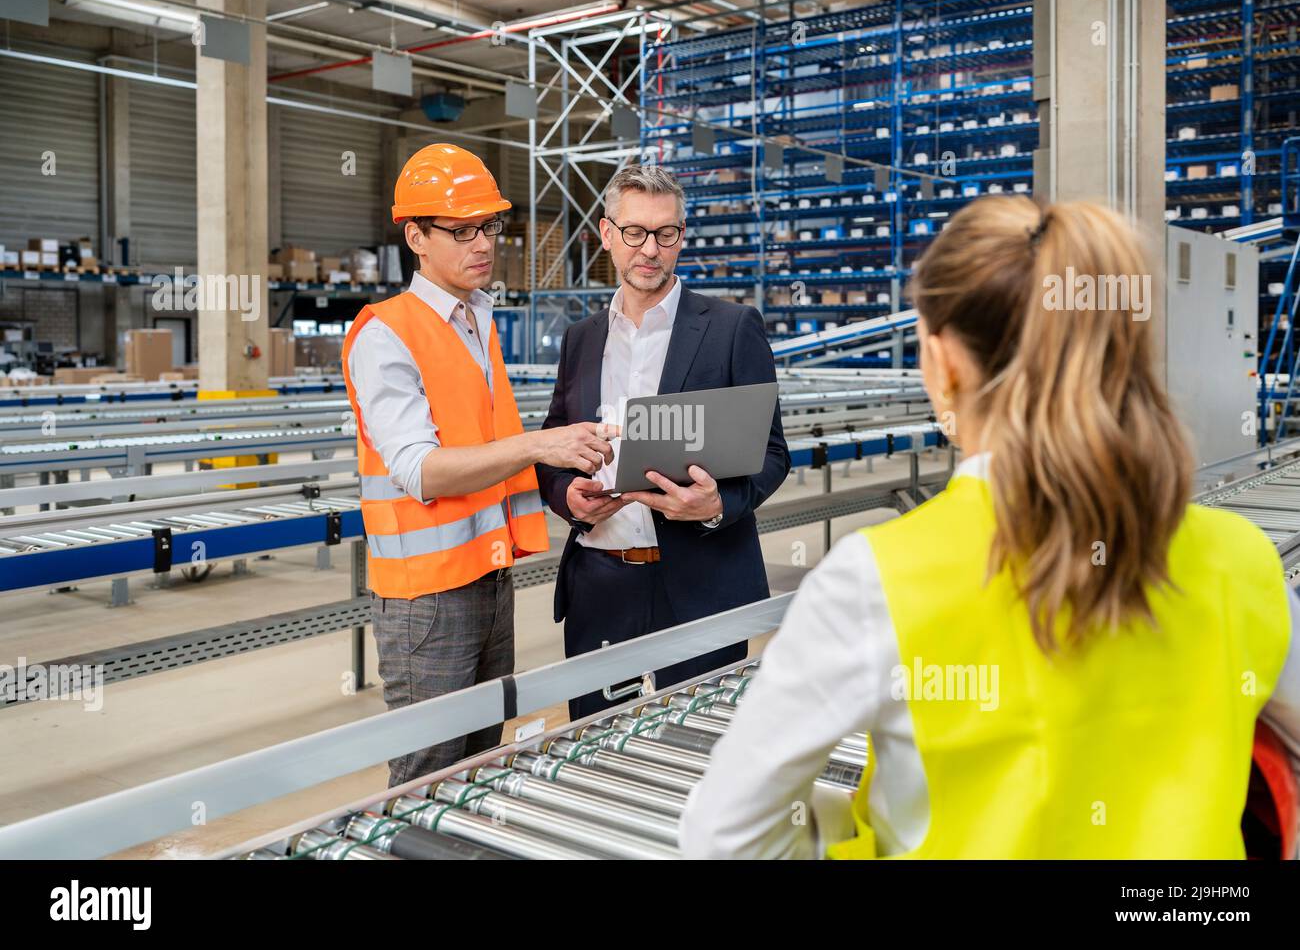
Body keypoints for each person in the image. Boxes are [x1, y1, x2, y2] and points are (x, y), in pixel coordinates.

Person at [679, 195, 1300, 859]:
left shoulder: (878, 580)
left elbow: (723, 840)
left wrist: (836, 832)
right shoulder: (1242, 560)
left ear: (942, 362)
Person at [342, 143, 616, 786]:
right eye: (461, 230)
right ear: (415, 236)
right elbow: (420, 470)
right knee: (426, 771)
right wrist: (538, 446)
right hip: (426, 596)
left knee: (478, 765)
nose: (483, 243)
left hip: (488, 576)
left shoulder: (476, 318)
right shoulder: (385, 333)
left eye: (489, 226)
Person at [535, 165, 790, 722]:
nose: (649, 249)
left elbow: (773, 452)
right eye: (634, 233)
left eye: (665, 234)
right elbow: (554, 452)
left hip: (702, 584)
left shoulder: (731, 327)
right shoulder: (583, 339)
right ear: (607, 234)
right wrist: (567, 498)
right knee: (598, 754)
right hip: (601, 585)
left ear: (680, 237)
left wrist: (720, 504)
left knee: (701, 747)